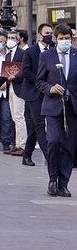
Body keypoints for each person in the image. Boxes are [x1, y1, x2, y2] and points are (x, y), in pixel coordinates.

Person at [36, 23, 77, 197]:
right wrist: (50, 88)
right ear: (55, 39)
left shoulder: (76, 55)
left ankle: (64, 183)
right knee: (53, 141)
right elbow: (39, 81)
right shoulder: (47, 56)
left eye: (68, 38)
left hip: (72, 107)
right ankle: (52, 179)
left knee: (69, 146)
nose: (65, 41)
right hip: (53, 106)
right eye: (62, 39)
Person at [21, 24, 52, 168]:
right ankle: (50, 158)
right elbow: (25, 72)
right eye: (47, 33)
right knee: (40, 124)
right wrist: (41, 81)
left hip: (48, 93)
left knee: (34, 127)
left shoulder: (53, 51)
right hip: (33, 93)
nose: (49, 35)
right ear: (39, 35)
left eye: (51, 33)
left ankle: (26, 155)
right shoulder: (30, 51)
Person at [2, 30, 27, 157]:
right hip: (10, 88)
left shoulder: (23, 53)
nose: (10, 40)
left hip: (19, 88)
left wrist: (14, 78)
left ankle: (22, 146)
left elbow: (24, 71)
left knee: (19, 117)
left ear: (18, 40)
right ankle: (17, 144)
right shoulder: (7, 55)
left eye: (13, 37)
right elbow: (6, 72)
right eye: (9, 37)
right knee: (14, 117)